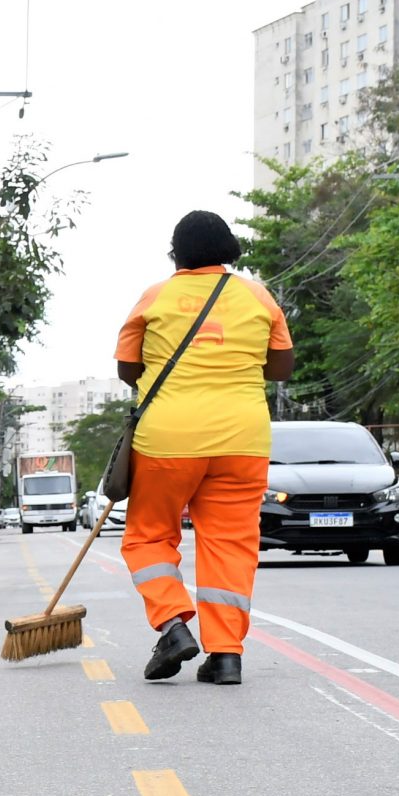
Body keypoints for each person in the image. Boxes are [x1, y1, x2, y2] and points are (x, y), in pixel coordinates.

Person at [114, 211, 295, 686]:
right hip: (242, 441)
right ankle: (226, 656)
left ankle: (173, 624)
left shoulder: (154, 297)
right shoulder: (258, 296)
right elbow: (280, 368)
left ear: (176, 255)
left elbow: (127, 371)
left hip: (167, 441)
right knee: (231, 545)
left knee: (149, 536)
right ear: (231, 251)